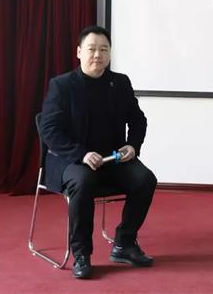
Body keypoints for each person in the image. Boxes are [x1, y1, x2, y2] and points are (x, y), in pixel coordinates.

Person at [40, 25, 157, 279]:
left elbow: (138, 120)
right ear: (79, 52)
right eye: (91, 49)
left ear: (110, 54)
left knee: (145, 179)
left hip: (112, 158)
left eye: (103, 50)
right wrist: (81, 154)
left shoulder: (120, 82)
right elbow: (49, 130)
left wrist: (132, 146)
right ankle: (81, 252)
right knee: (83, 182)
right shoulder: (62, 85)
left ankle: (124, 243)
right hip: (72, 160)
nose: (97, 55)